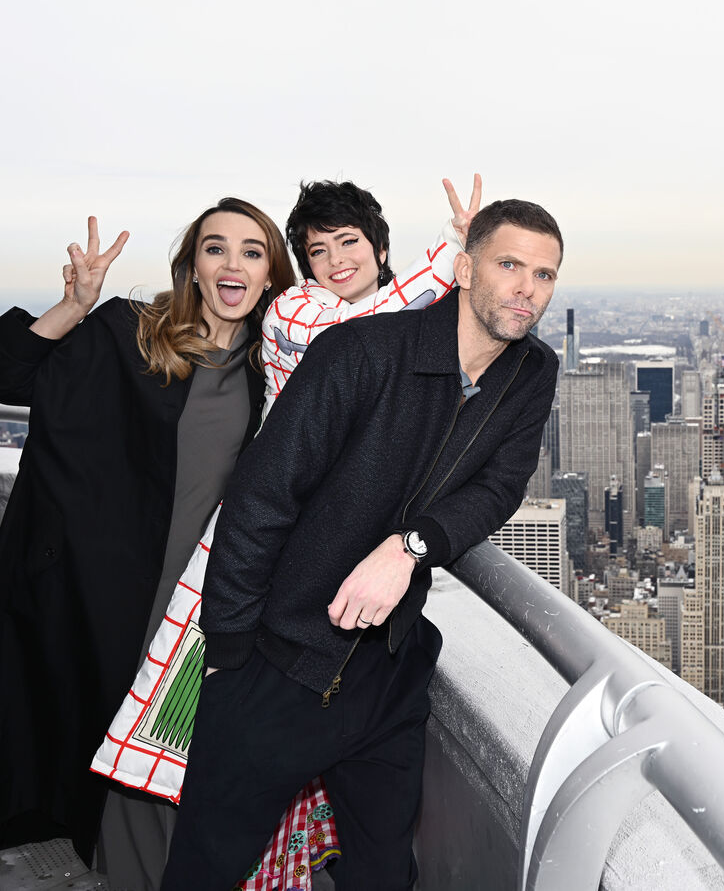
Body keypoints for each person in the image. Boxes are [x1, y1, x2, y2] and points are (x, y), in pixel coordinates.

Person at [88, 175, 482, 889]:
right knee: (227, 722)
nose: (335, 261)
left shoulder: (414, 333)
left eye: (350, 243)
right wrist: (454, 251)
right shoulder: (300, 314)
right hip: (269, 538)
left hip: (333, 556)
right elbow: (381, 315)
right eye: (318, 249)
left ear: (379, 247)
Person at [162, 197, 563, 890]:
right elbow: (262, 498)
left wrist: (409, 547)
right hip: (280, 669)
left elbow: (499, 488)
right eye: (510, 265)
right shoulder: (362, 351)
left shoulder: (531, 372)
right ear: (464, 268)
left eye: (546, 274)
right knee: (206, 870)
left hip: (388, 673)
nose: (528, 287)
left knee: (382, 874)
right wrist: (230, 658)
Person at [0, 200, 295, 881]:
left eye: (252, 252)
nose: (233, 263)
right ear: (194, 266)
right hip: (102, 597)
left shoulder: (273, 372)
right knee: (118, 770)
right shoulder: (126, 332)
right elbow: (11, 375)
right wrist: (73, 305)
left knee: (164, 768)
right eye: (216, 248)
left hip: (196, 610)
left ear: (270, 276)